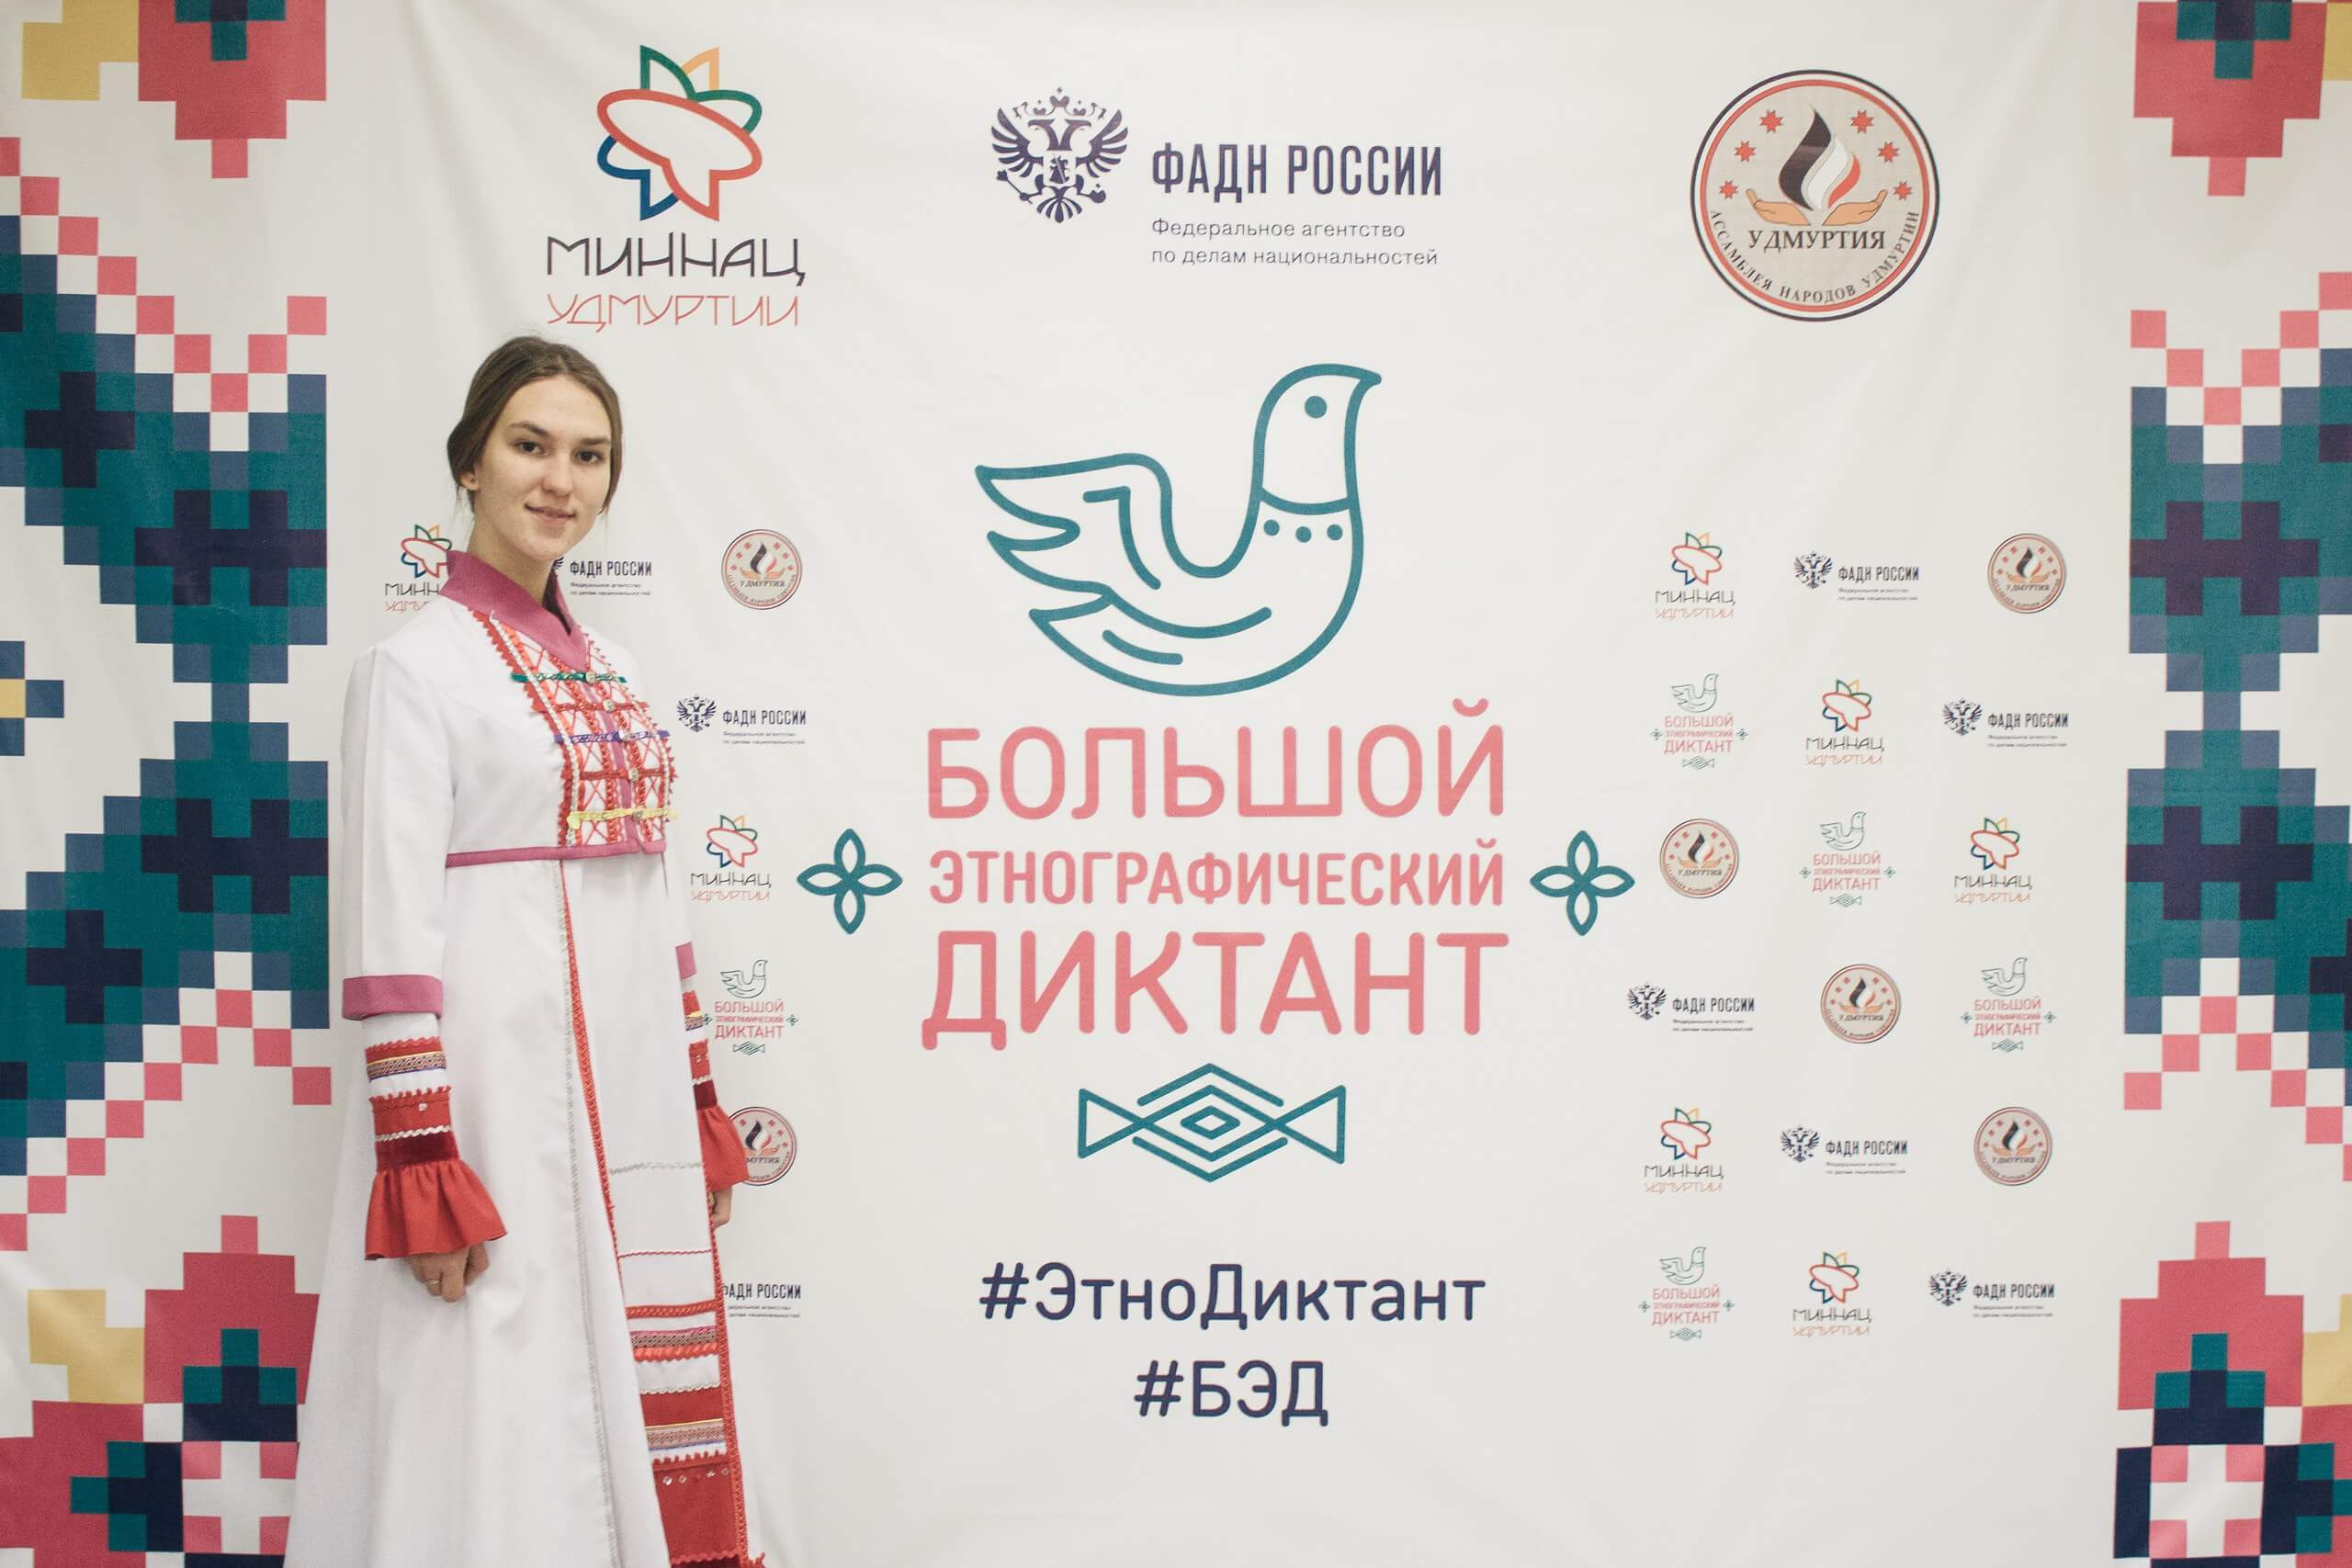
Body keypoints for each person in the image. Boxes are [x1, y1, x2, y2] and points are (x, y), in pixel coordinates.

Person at [287, 337, 767, 1568]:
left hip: (628, 1105)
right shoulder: (412, 670)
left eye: (589, 456)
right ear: (470, 463)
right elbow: (387, 938)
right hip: (492, 1103)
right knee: (487, 1396)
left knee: (614, 1400)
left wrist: (695, 1101)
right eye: (530, 445)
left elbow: (659, 903)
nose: (560, 479)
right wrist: (422, 1158)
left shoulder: (619, 671)